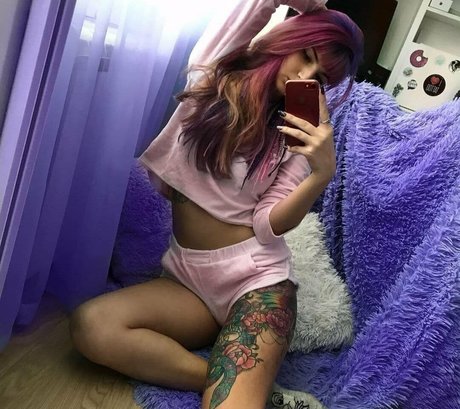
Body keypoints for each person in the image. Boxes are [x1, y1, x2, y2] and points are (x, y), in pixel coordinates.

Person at [69, 1, 363, 408]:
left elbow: (267, 225)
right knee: (92, 326)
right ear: (289, 38)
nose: (305, 76)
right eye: (306, 55)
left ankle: (243, 387)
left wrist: (320, 174)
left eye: (321, 78)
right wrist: (306, 5)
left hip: (257, 284)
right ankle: (255, 388)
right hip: (186, 280)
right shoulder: (215, 75)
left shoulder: (297, 137)